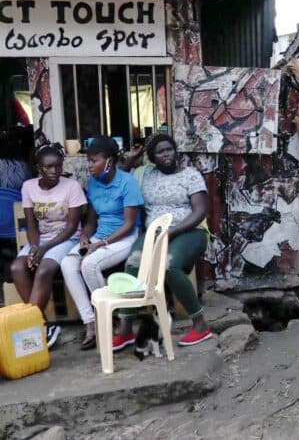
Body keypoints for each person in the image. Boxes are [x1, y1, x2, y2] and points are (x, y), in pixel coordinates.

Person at [114, 134, 212, 350]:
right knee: (133, 263)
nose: (166, 154)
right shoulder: (144, 174)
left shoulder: (190, 175)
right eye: (160, 152)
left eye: (169, 149)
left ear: (175, 151)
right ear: (152, 157)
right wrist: (132, 158)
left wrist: (174, 230)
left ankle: (200, 325)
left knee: (169, 265)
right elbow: (117, 176)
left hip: (189, 231)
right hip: (154, 234)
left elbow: (200, 211)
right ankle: (126, 331)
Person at [60, 136, 143, 349]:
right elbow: (91, 221)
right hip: (99, 237)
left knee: (89, 264)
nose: (89, 165)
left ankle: (110, 318)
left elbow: (129, 224)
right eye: (88, 160)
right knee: (68, 264)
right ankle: (91, 323)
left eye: (94, 160)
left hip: (123, 237)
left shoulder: (127, 182)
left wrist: (102, 243)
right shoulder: (93, 184)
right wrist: (86, 237)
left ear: (109, 161)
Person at [9, 143, 86, 348]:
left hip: (67, 239)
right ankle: (42, 324)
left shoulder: (72, 187)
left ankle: (31, 330)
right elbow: (31, 224)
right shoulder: (29, 186)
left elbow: (71, 227)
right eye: (48, 167)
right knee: (17, 267)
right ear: (39, 168)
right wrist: (34, 247)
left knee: (44, 270)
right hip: (41, 239)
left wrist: (43, 249)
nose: (54, 171)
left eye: (58, 166)